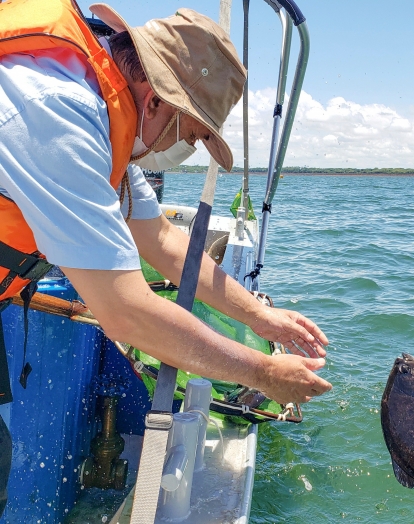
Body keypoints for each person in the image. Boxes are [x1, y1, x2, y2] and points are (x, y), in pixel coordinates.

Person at [0, 0, 332, 513]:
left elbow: (164, 242)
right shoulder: (59, 113)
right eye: (193, 135)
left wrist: (261, 316)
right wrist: (262, 375)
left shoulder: (112, 116)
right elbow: (126, 311)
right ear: (156, 101)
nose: (189, 150)